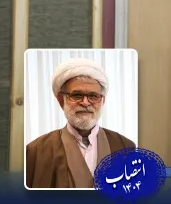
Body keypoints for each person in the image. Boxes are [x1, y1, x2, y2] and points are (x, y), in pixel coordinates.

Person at [25, 58, 135, 188]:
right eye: (76, 95)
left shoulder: (125, 147)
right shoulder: (36, 151)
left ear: (103, 101)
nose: (85, 103)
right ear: (61, 100)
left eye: (93, 96)